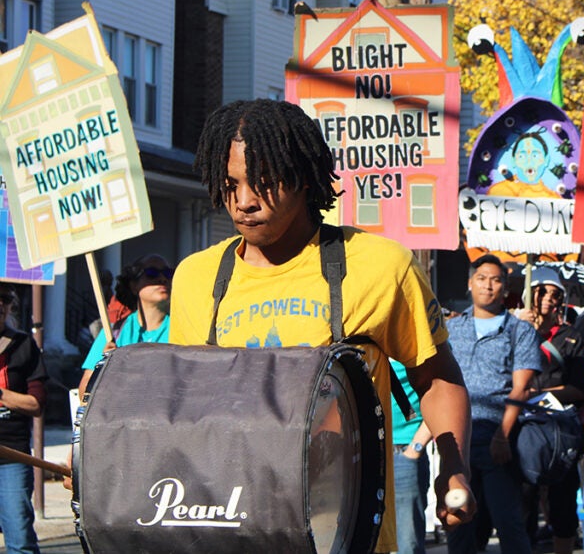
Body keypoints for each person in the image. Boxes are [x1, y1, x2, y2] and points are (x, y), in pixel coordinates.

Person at [168, 99, 474, 552]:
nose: (245, 201)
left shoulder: (380, 265)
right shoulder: (195, 278)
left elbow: (436, 378)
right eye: (230, 185)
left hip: (345, 534)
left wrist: (453, 465)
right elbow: (180, 409)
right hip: (228, 530)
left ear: (305, 178)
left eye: (263, 182)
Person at [445, 254, 540, 554]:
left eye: (496, 280)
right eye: (482, 279)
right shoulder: (452, 329)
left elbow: (521, 387)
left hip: (498, 443)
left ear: (505, 287)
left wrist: (502, 436)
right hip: (457, 443)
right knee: (458, 525)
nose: (488, 286)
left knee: (508, 524)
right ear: (470, 283)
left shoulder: (519, 330)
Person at [514, 267, 584, 554]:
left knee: (562, 507)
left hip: (560, 430)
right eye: (541, 292)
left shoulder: (571, 337)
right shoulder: (513, 330)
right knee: (522, 506)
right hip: (523, 429)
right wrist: (517, 328)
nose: (548, 298)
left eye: (555, 294)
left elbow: (581, 389)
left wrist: (539, 394)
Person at [78, 254, 173, 393]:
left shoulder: (181, 328)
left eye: (168, 273)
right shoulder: (113, 332)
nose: (162, 279)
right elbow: (84, 392)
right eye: (151, 273)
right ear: (134, 286)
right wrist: (103, 367)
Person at [0, 282, 46, 554]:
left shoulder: (23, 344)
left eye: (5, 298)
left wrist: (2, 395)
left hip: (12, 456)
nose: (0, 303)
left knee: (20, 539)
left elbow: (36, 404)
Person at [390, 359, 433, 554]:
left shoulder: (420, 348)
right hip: (364, 454)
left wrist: (415, 449)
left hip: (404, 453)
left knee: (408, 543)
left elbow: (441, 396)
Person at [486, 132, 560, 198]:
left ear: (546, 160)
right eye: (522, 156)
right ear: (513, 160)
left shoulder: (553, 198)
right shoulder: (499, 191)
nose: (529, 161)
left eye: (535, 155)